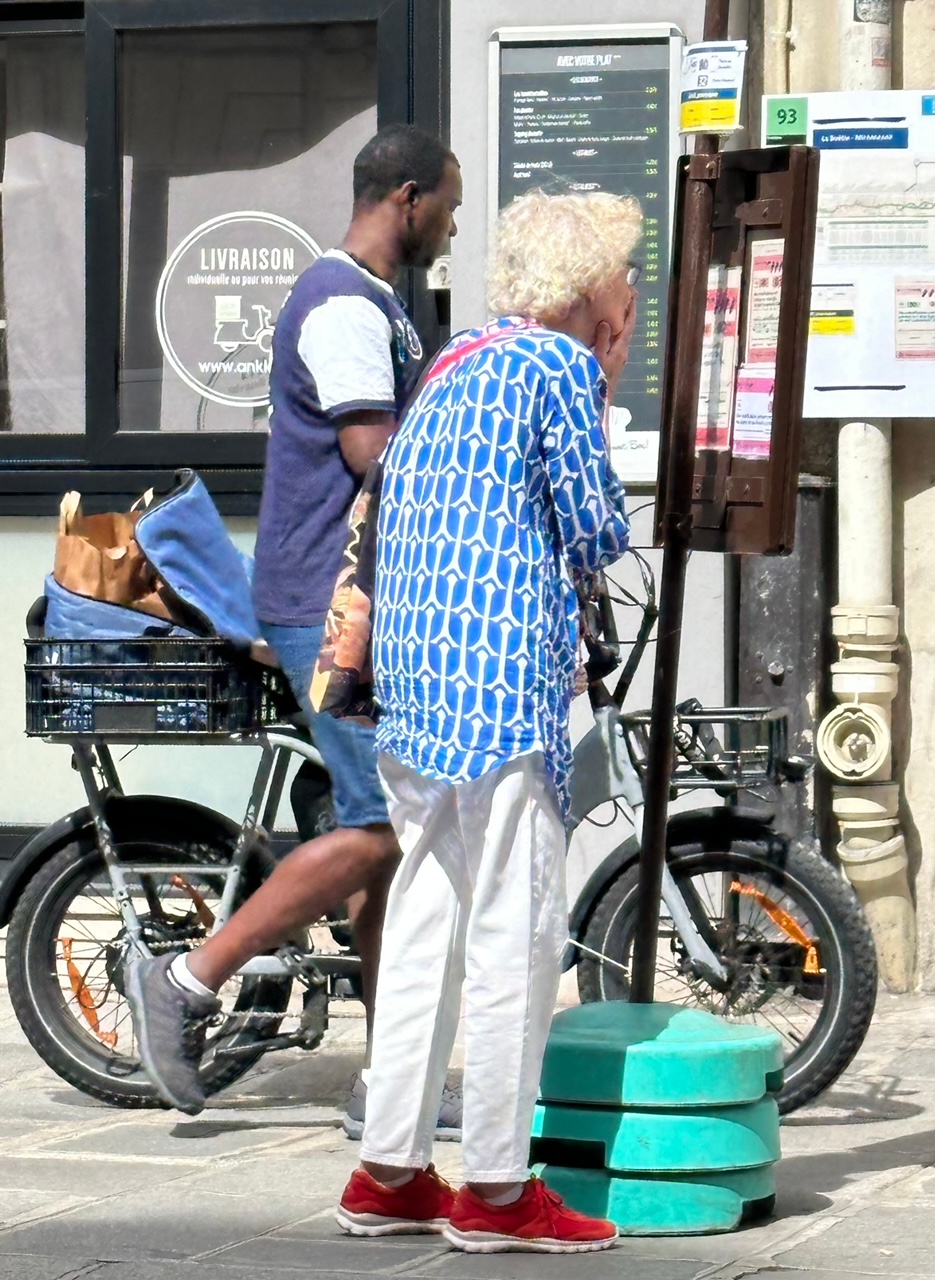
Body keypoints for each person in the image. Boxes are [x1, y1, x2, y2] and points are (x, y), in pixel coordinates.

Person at [124, 125, 463, 1135]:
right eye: (448, 200)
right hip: (330, 600)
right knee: (380, 825)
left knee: (389, 835)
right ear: (408, 198)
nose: (452, 221)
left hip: (346, 595)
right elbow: (377, 454)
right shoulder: (343, 305)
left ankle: (390, 1079)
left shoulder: (371, 302)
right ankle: (187, 977)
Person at [336, 189, 640, 1252]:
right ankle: (502, 1190)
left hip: (418, 684)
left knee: (426, 911)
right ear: (586, 290)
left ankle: (388, 1166)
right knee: (517, 925)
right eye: (619, 282)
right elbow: (596, 521)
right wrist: (606, 370)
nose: (625, 300)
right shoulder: (556, 366)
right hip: (501, 677)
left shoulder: (456, 360)